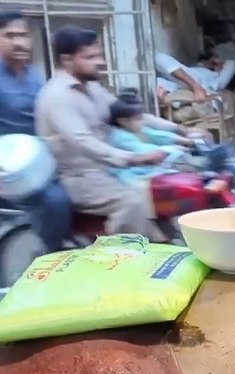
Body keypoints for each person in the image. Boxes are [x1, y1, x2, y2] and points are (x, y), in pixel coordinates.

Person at [36, 27, 193, 243]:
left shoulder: (92, 88)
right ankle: (120, 252)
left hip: (109, 170)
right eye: (90, 57)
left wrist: (179, 129)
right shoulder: (57, 96)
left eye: (99, 55)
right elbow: (83, 141)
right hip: (79, 178)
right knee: (131, 203)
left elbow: (132, 115)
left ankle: (163, 239)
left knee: (168, 188)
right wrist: (132, 158)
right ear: (67, 60)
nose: (100, 62)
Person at [0, 10, 71, 252]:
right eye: (9, 35)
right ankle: (49, 255)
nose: (19, 42)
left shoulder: (35, 75)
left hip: (44, 156)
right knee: (56, 201)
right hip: (11, 169)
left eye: (24, 35)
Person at [105, 97, 190, 183]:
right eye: (138, 119)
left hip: (150, 167)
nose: (142, 121)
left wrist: (181, 139)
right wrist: (172, 148)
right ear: (122, 121)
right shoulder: (120, 137)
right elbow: (144, 151)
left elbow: (156, 135)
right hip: (130, 175)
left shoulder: (137, 129)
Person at [154, 50, 235, 104]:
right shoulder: (200, 67)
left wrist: (219, 62)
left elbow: (232, 63)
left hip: (200, 84)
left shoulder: (216, 78)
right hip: (189, 80)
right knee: (160, 60)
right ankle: (196, 87)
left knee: (159, 80)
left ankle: (163, 92)